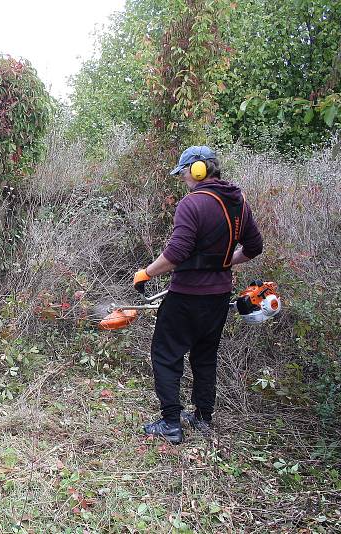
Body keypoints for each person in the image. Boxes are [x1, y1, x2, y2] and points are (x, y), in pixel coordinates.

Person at [132, 146, 263, 444]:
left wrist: (146, 273)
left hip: (186, 297)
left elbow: (175, 254)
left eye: (184, 174)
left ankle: (170, 424)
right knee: (205, 357)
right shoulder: (239, 202)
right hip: (218, 298)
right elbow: (254, 247)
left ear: (198, 170)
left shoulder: (192, 204)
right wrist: (225, 262)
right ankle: (203, 417)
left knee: (166, 356)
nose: (184, 181)